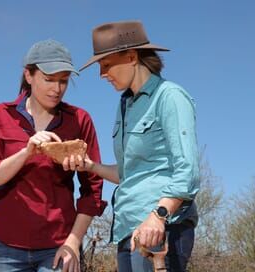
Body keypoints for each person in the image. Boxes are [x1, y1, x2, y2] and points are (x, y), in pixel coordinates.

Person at [63, 21, 200, 271]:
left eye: (106, 65)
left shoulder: (170, 96)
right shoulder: (125, 105)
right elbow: (128, 173)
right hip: (128, 228)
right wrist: (90, 166)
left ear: (131, 56)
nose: (101, 74)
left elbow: (187, 171)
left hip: (160, 230)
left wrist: (158, 216)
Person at [0, 39, 107, 272]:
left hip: (58, 247)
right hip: (7, 249)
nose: (57, 89)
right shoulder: (0, 115)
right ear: (29, 75)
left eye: (63, 81)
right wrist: (27, 152)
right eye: (49, 79)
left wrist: (73, 243)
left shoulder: (80, 120)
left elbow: (92, 190)